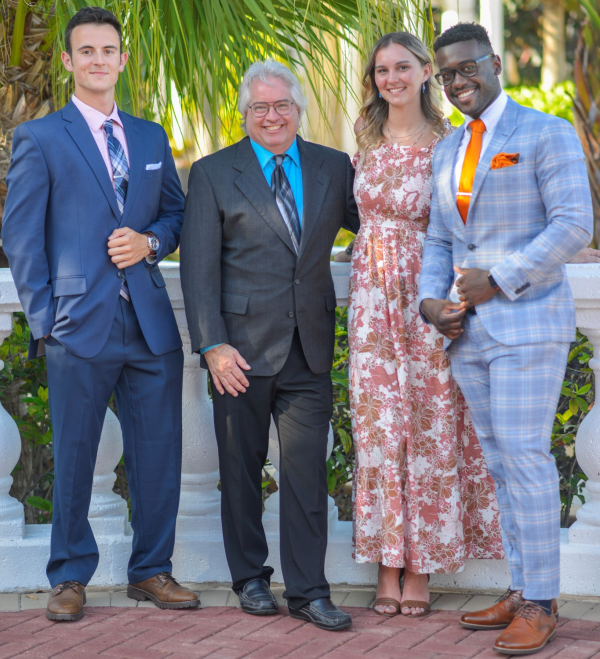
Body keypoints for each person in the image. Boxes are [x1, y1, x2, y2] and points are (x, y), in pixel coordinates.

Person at [2, 7, 198, 621]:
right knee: (77, 455)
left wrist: (151, 243)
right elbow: (22, 238)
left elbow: (176, 215)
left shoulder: (149, 137)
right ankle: (69, 576)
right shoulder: (41, 137)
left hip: (149, 323)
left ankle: (153, 571)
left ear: (122, 58)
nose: (97, 60)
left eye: (107, 50)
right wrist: (45, 323)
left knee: (160, 453)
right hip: (77, 326)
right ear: (67, 61)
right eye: (85, 51)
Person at [418, 23, 593, 655]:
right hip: (467, 334)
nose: (459, 82)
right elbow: (440, 238)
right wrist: (430, 301)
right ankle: (522, 589)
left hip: (527, 325)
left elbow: (575, 223)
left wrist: (501, 278)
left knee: (525, 460)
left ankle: (544, 604)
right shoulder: (447, 149)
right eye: (448, 75)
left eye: (469, 68)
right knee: (500, 465)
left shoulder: (544, 132)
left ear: (494, 63)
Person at [180, 60, 359, 631]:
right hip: (240, 353)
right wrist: (212, 345)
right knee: (239, 470)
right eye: (260, 107)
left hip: (309, 346)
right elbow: (198, 267)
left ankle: (308, 592)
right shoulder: (212, 173)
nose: (273, 116)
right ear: (245, 113)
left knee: (307, 475)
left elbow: (377, 226)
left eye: (282, 105)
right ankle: (250, 578)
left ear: (298, 108)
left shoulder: (334, 166)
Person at [349, 31, 503, 620]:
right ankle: (387, 562)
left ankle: (421, 567)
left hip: (427, 296)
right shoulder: (363, 140)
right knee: (380, 430)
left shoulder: (451, 142)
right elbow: (360, 220)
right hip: (369, 304)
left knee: (432, 422)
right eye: (382, 70)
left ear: (424, 74)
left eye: (404, 67)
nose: (392, 78)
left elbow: (479, 216)